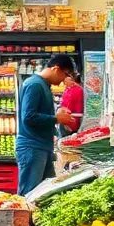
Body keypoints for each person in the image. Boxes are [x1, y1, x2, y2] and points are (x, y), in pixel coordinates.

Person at [16, 53, 76, 195]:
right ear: (56, 68)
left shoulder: (43, 85)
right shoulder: (35, 85)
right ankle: (22, 218)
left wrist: (57, 113)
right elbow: (29, 117)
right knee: (29, 193)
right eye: (65, 74)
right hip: (32, 147)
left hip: (42, 146)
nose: (63, 80)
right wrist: (56, 119)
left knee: (44, 194)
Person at [57, 70, 85, 137]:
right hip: (65, 119)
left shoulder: (77, 90)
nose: (63, 82)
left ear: (71, 79)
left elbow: (71, 106)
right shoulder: (68, 89)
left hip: (71, 121)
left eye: (65, 79)